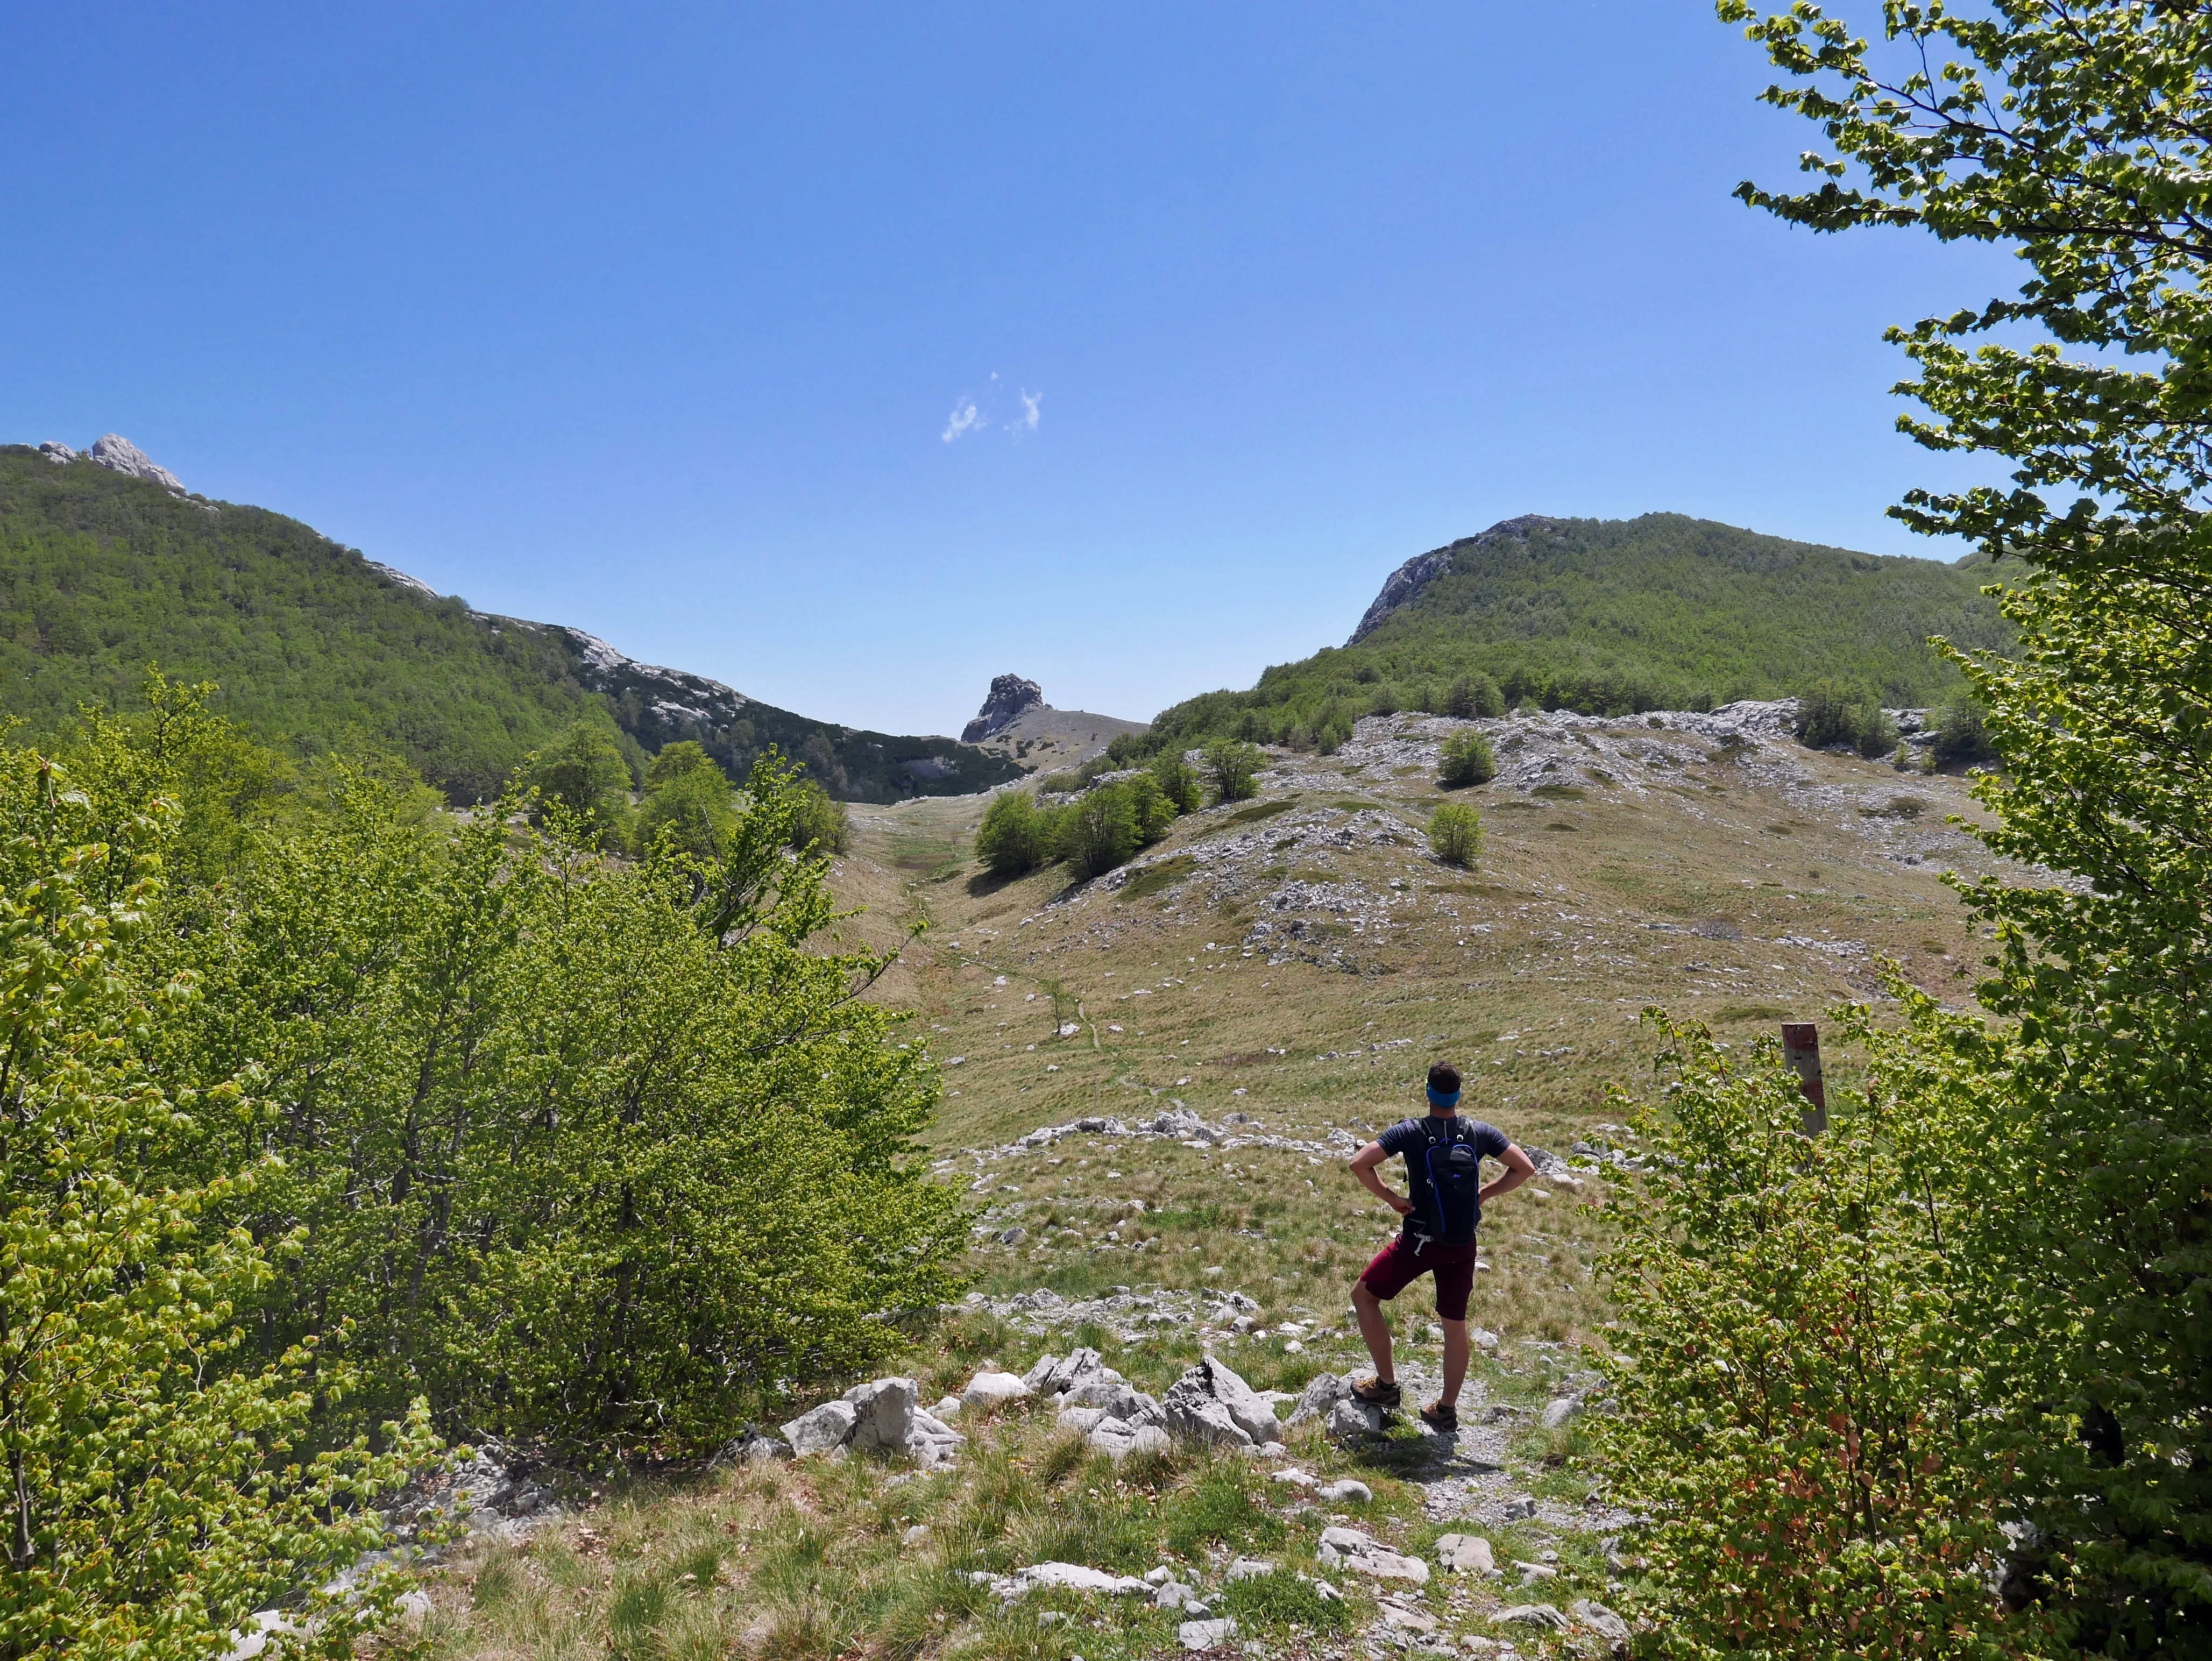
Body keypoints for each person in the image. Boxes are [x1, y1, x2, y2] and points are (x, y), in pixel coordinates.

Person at [1346, 1061, 1534, 1431]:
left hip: (1419, 1242)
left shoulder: (1411, 1131)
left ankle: (1386, 1386)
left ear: (1429, 1092)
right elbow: (1525, 1168)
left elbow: (1359, 1163)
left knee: (1364, 1297)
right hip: (1462, 1244)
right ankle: (1446, 1410)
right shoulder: (1479, 1132)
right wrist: (1485, 1194)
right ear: (1458, 1094)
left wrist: (1391, 1198)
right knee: (1454, 1324)